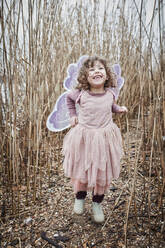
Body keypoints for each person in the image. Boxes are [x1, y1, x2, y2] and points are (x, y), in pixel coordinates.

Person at [62, 56, 127, 223]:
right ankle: (80, 198)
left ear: (106, 75)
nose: (96, 71)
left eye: (100, 69)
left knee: (101, 173)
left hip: (104, 138)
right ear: (85, 76)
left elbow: (109, 106)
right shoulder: (81, 94)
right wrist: (73, 115)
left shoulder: (110, 93)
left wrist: (118, 109)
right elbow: (68, 99)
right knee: (82, 170)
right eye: (91, 69)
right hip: (84, 138)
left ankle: (97, 204)